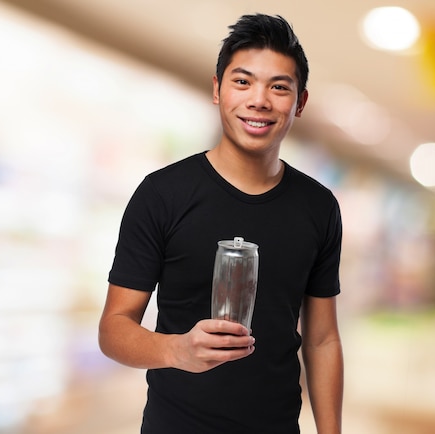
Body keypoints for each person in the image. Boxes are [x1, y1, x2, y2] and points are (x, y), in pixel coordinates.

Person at [99, 13, 343, 434]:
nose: (259, 100)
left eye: (279, 87)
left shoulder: (318, 207)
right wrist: (177, 350)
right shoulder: (163, 194)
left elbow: (322, 339)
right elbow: (113, 328)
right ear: (217, 89)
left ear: (299, 102)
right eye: (242, 81)